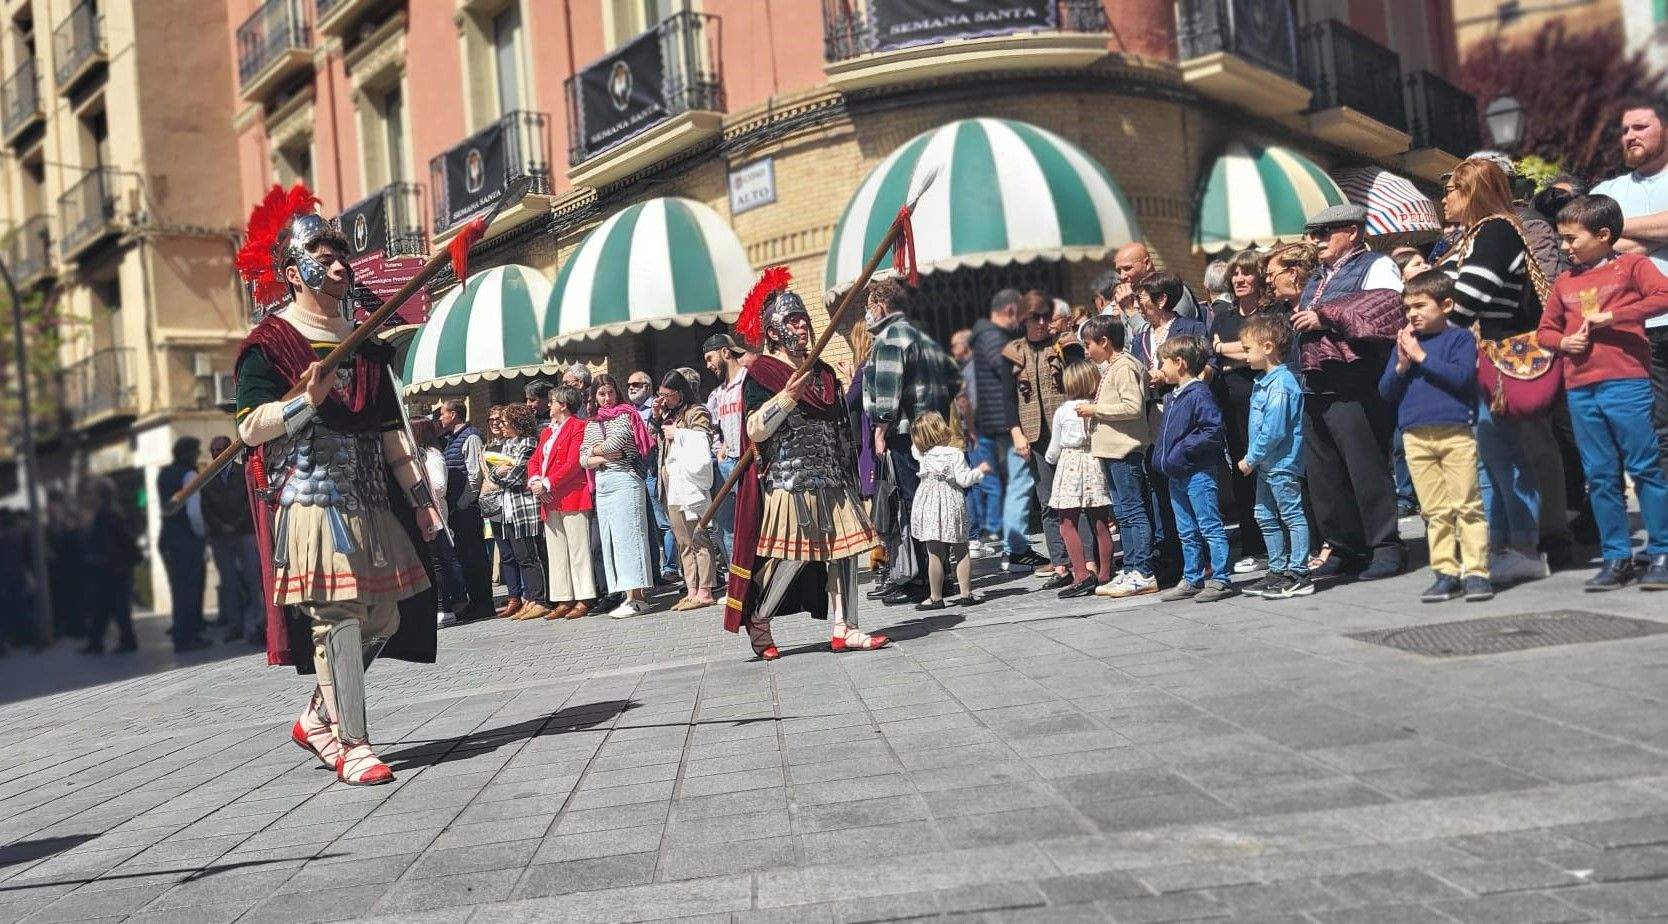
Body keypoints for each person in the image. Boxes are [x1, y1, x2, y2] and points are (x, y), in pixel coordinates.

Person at [232, 182, 438, 785]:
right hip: (310, 494)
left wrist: (423, 503)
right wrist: (305, 401)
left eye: (340, 254)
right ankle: (352, 743)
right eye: (322, 257)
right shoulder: (270, 344)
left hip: (370, 495)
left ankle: (317, 718)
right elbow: (249, 428)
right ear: (294, 272)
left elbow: (388, 430)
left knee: (386, 618)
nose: (339, 265)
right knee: (339, 617)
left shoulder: (367, 344)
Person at [724, 267, 886, 658]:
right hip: (789, 480)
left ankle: (846, 627)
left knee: (846, 551)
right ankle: (760, 618)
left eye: (803, 320)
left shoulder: (824, 372)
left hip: (831, 477)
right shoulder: (762, 372)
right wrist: (787, 397)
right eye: (792, 321)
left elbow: (839, 425)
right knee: (793, 557)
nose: (801, 327)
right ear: (775, 331)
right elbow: (755, 429)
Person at [1437, 160, 1559, 585]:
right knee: (1490, 459)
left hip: (1498, 359)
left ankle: (1523, 548)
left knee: (1504, 456)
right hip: (1480, 360)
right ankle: (1499, 546)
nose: (1445, 197)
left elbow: (1465, 299)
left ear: (1474, 192)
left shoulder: (1494, 232)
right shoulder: (1473, 237)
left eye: (1453, 189)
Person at [1541, 194, 1668, 590]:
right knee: (1599, 475)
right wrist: (1563, 344)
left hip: (1626, 381)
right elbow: (1545, 330)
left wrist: (1614, 316)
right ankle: (1617, 558)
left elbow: (1663, 296)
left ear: (1603, 234)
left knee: (1644, 466)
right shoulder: (1564, 282)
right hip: (1580, 387)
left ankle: (1662, 551)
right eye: (1561, 239)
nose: (1564, 247)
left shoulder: (1633, 266)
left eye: (1571, 239)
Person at [1292, 202, 1407, 581]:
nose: (1316, 240)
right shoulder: (1315, 278)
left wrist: (1325, 314)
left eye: (1325, 233)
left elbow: (1387, 307)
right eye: (1313, 234)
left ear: (1353, 232)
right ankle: (1345, 547)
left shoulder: (1377, 264)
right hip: (1317, 381)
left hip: (1356, 380)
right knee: (1325, 472)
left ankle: (1386, 546)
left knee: (1365, 466)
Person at [1379, 271, 1494, 603]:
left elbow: (1461, 379)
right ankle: (1445, 572)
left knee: (1467, 504)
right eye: (1407, 308)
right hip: (1415, 435)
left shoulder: (1459, 339)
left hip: (1455, 432)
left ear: (1446, 305)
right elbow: (1386, 390)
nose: (1412, 314)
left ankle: (1476, 571)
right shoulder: (1404, 344)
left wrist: (1420, 357)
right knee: (1434, 510)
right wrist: (1401, 365)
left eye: (1420, 305)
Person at [862, 277, 958, 602]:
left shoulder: (891, 337)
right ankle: (939, 577)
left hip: (905, 434)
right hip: (928, 431)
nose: (868, 314)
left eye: (870, 306)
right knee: (930, 502)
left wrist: (880, 429)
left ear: (880, 306)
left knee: (913, 505)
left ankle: (920, 581)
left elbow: (888, 392)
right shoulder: (922, 336)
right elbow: (953, 378)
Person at [1590, 99, 1668, 472]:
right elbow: (1589, 242)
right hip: (1639, 329)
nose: (1629, 137)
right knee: (1660, 430)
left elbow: (1606, 238)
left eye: (1640, 127)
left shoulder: (1614, 205)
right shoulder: (1610, 189)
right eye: (1624, 131)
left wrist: (1616, 230)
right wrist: (1658, 233)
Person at [1130, 271, 1208, 584]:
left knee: (1193, 488)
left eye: (1141, 299)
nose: (1137, 306)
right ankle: (1174, 557)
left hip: (1185, 416)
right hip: (1154, 420)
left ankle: (1203, 558)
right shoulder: (1139, 337)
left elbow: (1206, 367)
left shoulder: (1191, 328)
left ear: (1162, 299)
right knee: (1161, 489)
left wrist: (1170, 378)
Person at [1210, 250, 1281, 571]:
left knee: (1275, 466)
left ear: (1259, 277)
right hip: (1232, 404)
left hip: (1266, 399)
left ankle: (1286, 538)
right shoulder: (1224, 316)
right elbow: (1235, 351)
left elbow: (1268, 347)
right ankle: (1254, 545)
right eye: (1235, 274)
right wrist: (1238, 351)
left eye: (1246, 273)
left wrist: (1225, 349)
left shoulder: (1271, 312)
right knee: (1243, 471)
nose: (1239, 279)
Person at [1078, 314, 1156, 598]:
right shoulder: (1112, 367)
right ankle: (1133, 566)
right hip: (1111, 452)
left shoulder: (1123, 366)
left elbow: (1132, 407)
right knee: (1123, 513)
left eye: (1089, 345)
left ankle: (1144, 570)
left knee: (1133, 511)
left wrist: (1095, 410)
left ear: (1105, 342)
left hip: (1124, 451)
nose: (1087, 352)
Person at [970, 289, 1048, 571]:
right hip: (1006, 421)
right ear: (1009, 311)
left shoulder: (986, 337)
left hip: (998, 421)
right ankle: (1016, 550)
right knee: (1021, 482)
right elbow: (1006, 374)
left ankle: (1015, 547)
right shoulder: (994, 338)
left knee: (1016, 482)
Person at [1152, 336, 1235, 602]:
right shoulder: (1173, 395)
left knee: (1209, 525)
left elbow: (1212, 430)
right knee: (1186, 530)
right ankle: (1192, 577)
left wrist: (1182, 451)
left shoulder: (1199, 393)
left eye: (1163, 362)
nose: (1160, 367)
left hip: (1197, 472)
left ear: (1180, 363)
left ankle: (1220, 578)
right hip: (1177, 473)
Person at [1237, 312, 1312, 599]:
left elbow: (1274, 430)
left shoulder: (1281, 384)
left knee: (1291, 514)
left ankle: (1299, 572)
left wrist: (1251, 458)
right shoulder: (1265, 381)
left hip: (1280, 463)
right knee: (1265, 516)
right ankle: (1278, 569)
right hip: (1267, 464)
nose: (1244, 355)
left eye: (1247, 349)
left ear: (1267, 347)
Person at [1004, 290, 1075, 585]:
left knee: (1076, 498)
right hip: (1034, 436)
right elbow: (1005, 399)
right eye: (1035, 318)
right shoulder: (1013, 351)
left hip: (1068, 433)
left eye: (1046, 316)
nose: (1042, 323)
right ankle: (1060, 563)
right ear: (1024, 319)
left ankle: (1085, 561)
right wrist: (1016, 433)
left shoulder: (1064, 344)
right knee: (1047, 502)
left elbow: (1081, 377)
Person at [583, 374, 655, 618]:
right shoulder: (592, 423)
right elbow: (583, 458)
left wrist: (595, 452)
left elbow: (619, 441)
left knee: (630, 536)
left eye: (610, 393)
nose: (606, 398)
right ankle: (626, 594)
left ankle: (637, 597)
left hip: (625, 479)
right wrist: (600, 456)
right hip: (604, 484)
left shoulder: (626, 414)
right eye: (601, 394)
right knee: (612, 539)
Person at [906, 410, 988, 610]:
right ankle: (966, 594)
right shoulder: (955, 454)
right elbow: (964, 480)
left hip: (929, 506)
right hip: (952, 504)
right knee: (961, 549)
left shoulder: (921, 454)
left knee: (935, 553)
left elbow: (915, 447)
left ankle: (935, 596)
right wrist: (981, 471)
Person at [1047, 360, 1115, 598]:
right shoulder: (1097, 407)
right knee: (1100, 523)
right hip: (1094, 461)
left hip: (1070, 464)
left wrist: (1049, 459)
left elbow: (1054, 448)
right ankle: (1105, 574)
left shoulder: (1063, 411)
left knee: (1067, 523)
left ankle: (1081, 575)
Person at [528, 386, 596, 619]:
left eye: (553, 402)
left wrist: (548, 483)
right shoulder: (547, 432)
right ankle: (563, 597)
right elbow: (536, 459)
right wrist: (536, 480)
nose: (549, 406)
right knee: (556, 550)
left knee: (578, 548)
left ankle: (584, 596)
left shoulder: (578, 426)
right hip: (549, 497)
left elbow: (573, 462)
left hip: (571, 494)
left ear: (564, 405)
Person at [657, 368, 721, 610]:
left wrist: (678, 433)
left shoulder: (697, 412)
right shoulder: (668, 415)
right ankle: (691, 587)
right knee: (683, 540)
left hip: (691, 484)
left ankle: (705, 588)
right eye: (660, 395)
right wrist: (658, 419)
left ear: (681, 392)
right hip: (672, 485)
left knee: (698, 537)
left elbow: (703, 440)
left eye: (668, 395)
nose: (664, 400)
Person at [200, 435, 265, 644]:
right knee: (228, 582)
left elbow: (250, 501)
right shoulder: (207, 478)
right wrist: (221, 526)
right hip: (221, 537)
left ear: (230, 450)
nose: (217, 454)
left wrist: (236, 524)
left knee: (252, 578)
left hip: (244, 532)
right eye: (214, 450)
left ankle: (259, 621)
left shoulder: (243, 472)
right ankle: (234, 624)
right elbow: (205, 508)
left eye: (221, 449)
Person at [492, 404, 551, 621]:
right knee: (520, 555)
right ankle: (530, 598)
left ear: (517, 423)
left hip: (524, 508)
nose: (501, 426)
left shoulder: (528, 444)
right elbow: (495, 474)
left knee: (531, 555)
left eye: (505, 422)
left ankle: (540, 599)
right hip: (509, 507)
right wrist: (498, 473)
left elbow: (515, 476)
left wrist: (499, 474)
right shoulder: (508, 444)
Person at [410, 417, 468, 627]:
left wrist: (415, 491)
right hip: (425, 516)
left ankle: (446, 607)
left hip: (435, 517)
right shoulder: (419, 457)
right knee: (432, 563)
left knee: (439, 563)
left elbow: (439, 486)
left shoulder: (432, 457)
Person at [156, 437, 211, 652]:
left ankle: (182, 633)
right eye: (196, 452)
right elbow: (193, 512)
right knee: (190, 588)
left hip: (168, 538)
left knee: (178, 589)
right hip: (187, 540)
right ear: (188, 453)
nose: (198, 456)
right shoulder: (189, 475)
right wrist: (201, 533)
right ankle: (188, 636)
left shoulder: (164, 474)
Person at [439, 398, 491, 620]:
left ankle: (483, 602)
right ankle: (474, 601)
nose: (440, 418)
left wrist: (462, 503)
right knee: (465, 556)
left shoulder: (470, 437)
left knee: (475, 556)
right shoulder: (451, 440)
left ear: (454, 414)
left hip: (467, 509)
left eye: (443, 413)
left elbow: (474, 475)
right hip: (456, 509)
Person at [703, 332, 750, 563]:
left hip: (748, 461)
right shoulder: (717, 394)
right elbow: (713, 428)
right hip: (727, 463)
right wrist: (718, 448)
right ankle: (737, 580)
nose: (709, 365)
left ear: (725, 352)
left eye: (710, 358)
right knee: (727, 526)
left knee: (750, 523)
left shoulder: (747, 381)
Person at [80, 477, 139, 655]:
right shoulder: (106, 514)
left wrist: (100, 558)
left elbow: (114, 542)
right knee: (103, 607)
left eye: (92, 493)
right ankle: (96, 642)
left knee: (117, 607)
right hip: (109, 568)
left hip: (113, 569)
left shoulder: (108, 515)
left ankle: (126, 641)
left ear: (100, 496)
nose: (89, 497)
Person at [1113, 242, 1204, 322]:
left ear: (1147, 263)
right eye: (1119, 271)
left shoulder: (1170, 289)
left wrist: (1131, 311)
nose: (1122, 276)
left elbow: (1173, 335)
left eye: (1127, 268)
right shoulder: (1127, 300)